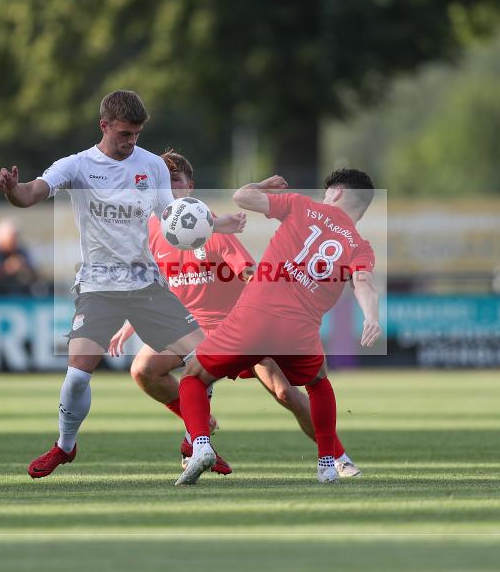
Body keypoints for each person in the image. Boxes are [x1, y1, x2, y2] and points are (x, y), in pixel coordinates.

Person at [0, 90, 245, 478]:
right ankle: (65, 447)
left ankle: (196, 444)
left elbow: (172, 219)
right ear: (104, 126)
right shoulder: (77, 165)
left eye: (137, 135)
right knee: (77, 377)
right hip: (99, 287)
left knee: (203, 359)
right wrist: (12, 189)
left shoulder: (151, 166)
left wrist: (212, 224)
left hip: (146, 285)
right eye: (125, 134)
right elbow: (29, 195)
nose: (131, 142)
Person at [107, 150, 361, 478]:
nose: (169, 188)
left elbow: (249, 273)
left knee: (286, 392)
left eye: (176, 181)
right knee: (143, 369)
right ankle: (199, 429)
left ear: (190, 187)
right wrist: (130, 324)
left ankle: (338, 456)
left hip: (238, 325)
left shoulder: (210, 226)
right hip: (190, 327)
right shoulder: (154, 231)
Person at [175, 169, 381, 485]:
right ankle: (328, 465)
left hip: (254, 316)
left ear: (336, 193)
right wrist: (371, 317)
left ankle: (201, 445)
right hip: (299, 331)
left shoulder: (302, 206)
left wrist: (261, 186)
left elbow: (241, 197)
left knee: (194, 377)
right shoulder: (361, 247)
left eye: (327, 192)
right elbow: (363, 283)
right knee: (318, 383)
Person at [0, 218, 38, 295]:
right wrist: (6, 269)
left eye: (15, 236)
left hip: (17, 297)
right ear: (1, 237)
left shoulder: (21, 251)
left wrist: (23, 268)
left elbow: (34, 273)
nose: (14, 240)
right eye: (11, 237)